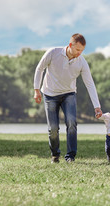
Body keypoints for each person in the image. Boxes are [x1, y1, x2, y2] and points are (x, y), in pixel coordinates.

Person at [33, 33, 102, 164]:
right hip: (50, 94)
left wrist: (97, 106)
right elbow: (39, 68)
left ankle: (70, 156)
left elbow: (90, 83)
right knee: (53, 128)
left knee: (71, 123)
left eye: (82, 50)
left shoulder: (81, 61)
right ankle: (55, 154)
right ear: (70, 45)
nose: (79, 53)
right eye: (77, 50)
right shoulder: (53, 53)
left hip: (68, 94)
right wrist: (36, 90)